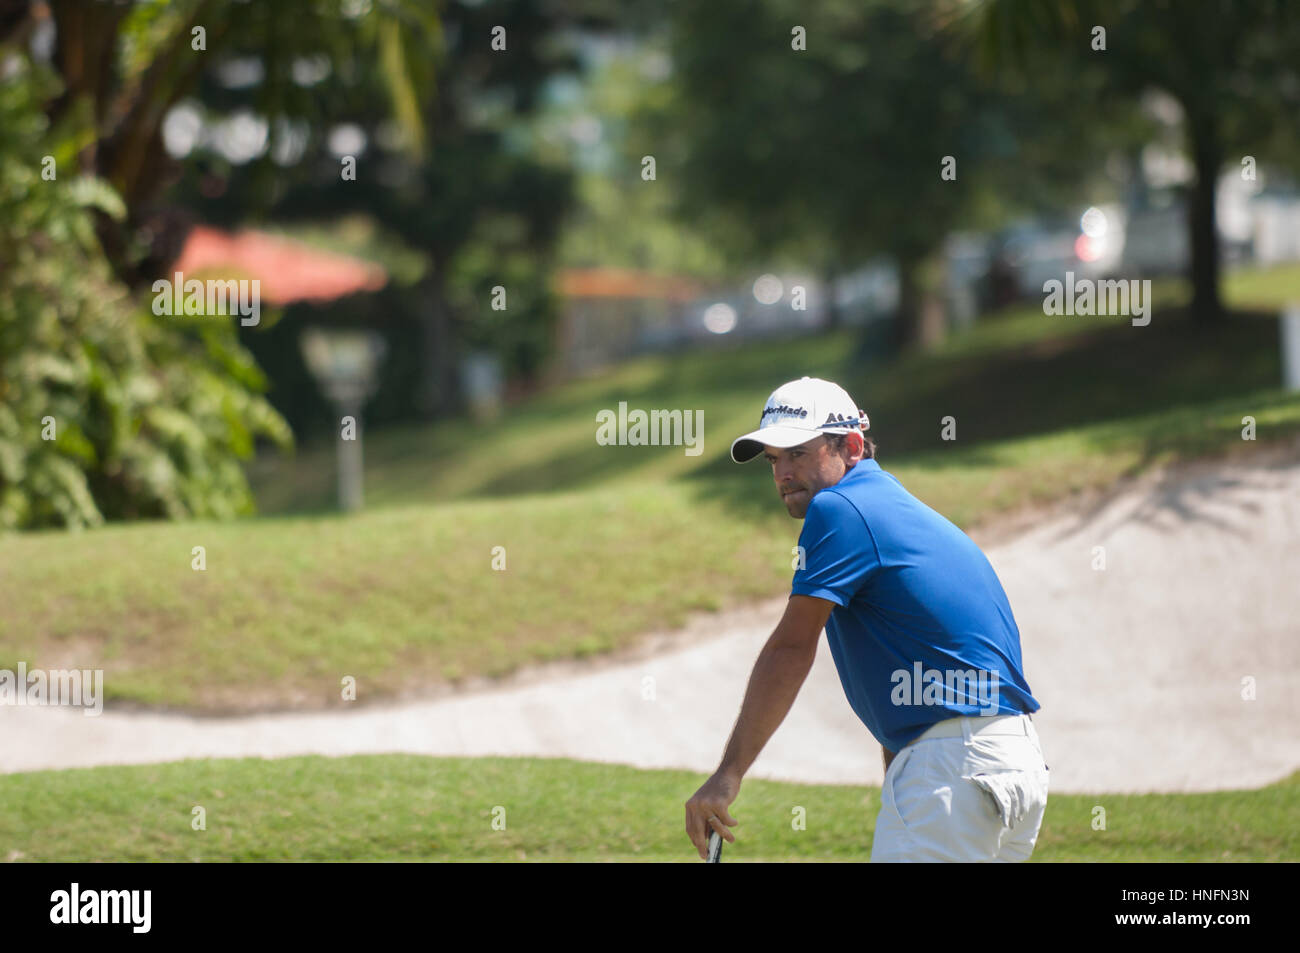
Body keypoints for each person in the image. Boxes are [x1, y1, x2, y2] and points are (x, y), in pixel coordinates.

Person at [684, 376, 1049, 862]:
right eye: (774, 459)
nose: (782, 473)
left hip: (954, 771)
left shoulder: (840, 509)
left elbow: (790, 650)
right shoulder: (892, 506)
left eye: (798, 453)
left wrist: (726, 776)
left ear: (852, 446)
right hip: (1012, 767)